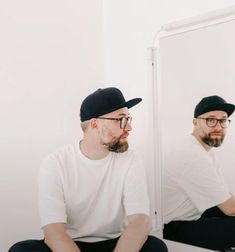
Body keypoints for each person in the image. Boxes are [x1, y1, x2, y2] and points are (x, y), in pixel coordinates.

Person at [9, 87, 168, 252]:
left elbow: (139, 222)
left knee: (156, 247)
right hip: (69, 244)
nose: (128, 128)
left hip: (116, 244)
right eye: (121, 120)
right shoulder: (55, 163)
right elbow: (53, 232)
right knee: (21, 250)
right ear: (95, 124)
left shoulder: (131, 160)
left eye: (129, 119)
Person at [163, 95, 235, 251]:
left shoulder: (205, 151)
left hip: (192, 216)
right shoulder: (192, 154)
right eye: (210, 120)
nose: (218, 126)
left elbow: (225, 196)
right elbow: (230, 208)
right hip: (171, 229)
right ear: (195, 122)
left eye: (223, 120)